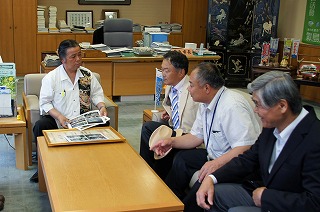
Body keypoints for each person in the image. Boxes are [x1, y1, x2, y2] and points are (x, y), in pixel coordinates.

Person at [190, 71, 320, 212]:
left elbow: (314, 202)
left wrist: (267, 197)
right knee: (212, 194)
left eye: (258, 105)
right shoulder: (272, 125)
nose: (255, 110)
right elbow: (248, 160)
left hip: (283, 205)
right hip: (261, 193)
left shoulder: (314, 139)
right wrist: (212, 177)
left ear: (282, 106)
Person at [151, 62, 261, 200]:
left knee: (199, 186)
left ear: (207, 88)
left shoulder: (232, 106)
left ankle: (184, 204)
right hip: (214, 154)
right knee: (181, 158)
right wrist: (170, 141)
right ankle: (168, 199)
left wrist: (217, 163)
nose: (188, 89)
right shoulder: (205, 102)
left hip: (234, 163)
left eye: (191, 85)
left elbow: (245, 147)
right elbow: (196, 137)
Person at [30, 39, 109, 183]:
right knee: (40, 126)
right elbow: (45, 103)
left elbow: (97, 94)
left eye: (80, 55)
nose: (78, 59)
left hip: (82, 119)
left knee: (104, 125)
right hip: (58, 120)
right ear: (62, 59)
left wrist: (101, 106)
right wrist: (59, 116)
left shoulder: (86, 74)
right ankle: (42, 167)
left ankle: (99, 163)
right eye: (73, 56)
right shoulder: (52, 78)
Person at [139, 50, 199, 180]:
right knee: (148, 127)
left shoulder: (194, 89)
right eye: (162, 70)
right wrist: (170, 112)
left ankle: (159, 178)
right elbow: (175, 105)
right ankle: (146, 168)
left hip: (188, 134)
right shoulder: (172, 86)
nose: (163, 74)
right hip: (174, 129)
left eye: (167, 71)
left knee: (164, 145)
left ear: (181, 72)